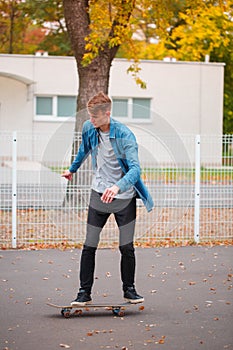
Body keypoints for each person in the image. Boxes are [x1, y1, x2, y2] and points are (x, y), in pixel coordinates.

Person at [62, 91, 154, 306]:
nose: (91, 121)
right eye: (90, 117)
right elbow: (84, 149)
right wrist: (72, 169)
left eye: (95, 117)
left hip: (123, 197)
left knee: (126, 246)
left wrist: (117, 186)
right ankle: (84, 292)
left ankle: (129, 290)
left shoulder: (125, 135)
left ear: (107, 113)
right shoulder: (89, 127)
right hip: (98, 194)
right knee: (89, 245)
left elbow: (135, 170)